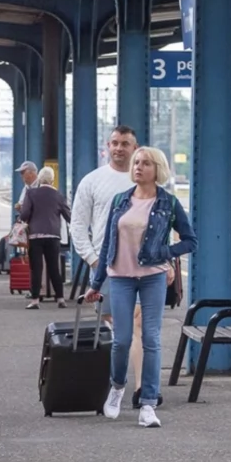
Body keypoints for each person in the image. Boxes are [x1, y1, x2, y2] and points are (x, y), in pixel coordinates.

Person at [85, 146, 197, 428]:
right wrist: (96, 284)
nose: (138, 167)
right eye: (136, 162)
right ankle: (118, 387)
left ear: (157, 169)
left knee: (151, 339)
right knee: (122, 340)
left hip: (152, 278)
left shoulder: (168, 203)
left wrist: (165, 253)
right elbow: (109, 244)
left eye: (145, 163)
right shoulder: (120, 200)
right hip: (120, 277)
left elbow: (190, 240)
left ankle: (148, 403)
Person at [70, 125, 138, 325]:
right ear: (108, 146)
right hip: (105, 264)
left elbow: (162, 222)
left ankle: (132, 356)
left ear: (135, 147)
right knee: (110, 319)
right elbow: (77, 225)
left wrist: (166, 261)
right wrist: (93, 259)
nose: (119, 148)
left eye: (125, 144)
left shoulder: (146, 181)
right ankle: (121, 355)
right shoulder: (92, 181)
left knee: (138, 321)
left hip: (143, 264)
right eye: (115, 143)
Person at [18, 166, 72, 309]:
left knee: (36, 268)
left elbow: (24, 215)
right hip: (53, 235)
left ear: (40, 179)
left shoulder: (31, 193)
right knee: (54, 267)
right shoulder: (59, 196)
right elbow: (68, 216)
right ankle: (60, 299)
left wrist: (24, 214)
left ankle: (35, 300)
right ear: (52, 180)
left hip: (35, 235)